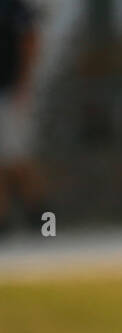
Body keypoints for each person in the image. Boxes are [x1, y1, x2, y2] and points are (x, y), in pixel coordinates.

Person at [0, 0, 43, 235]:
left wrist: (24, 83)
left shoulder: (12, 7)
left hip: (10, 92)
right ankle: (3, 223)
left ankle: (44, 219)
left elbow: (30, 40)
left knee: (18, 159)